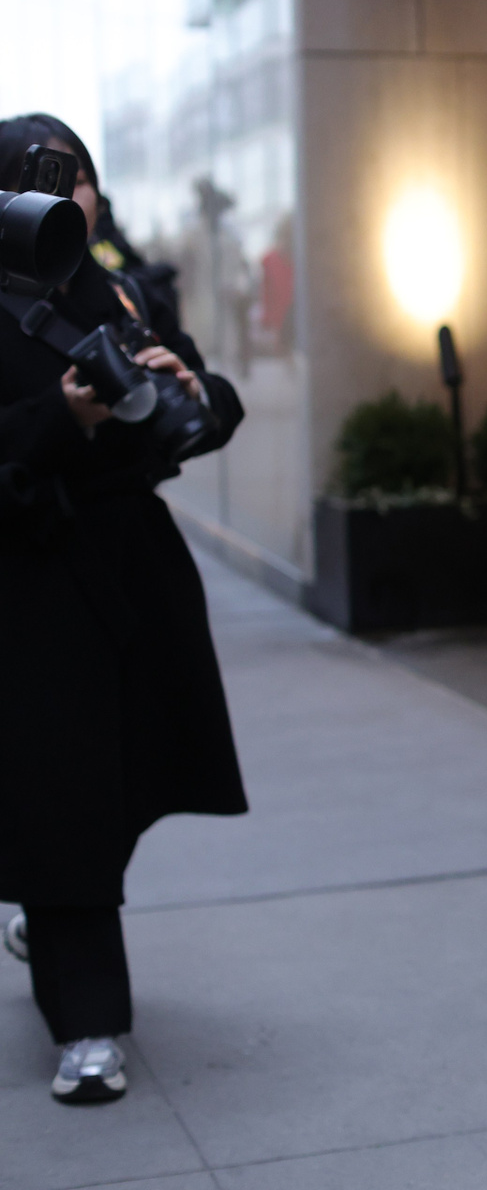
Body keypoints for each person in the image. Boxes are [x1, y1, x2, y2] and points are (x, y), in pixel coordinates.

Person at [0, 114, 248, 1105]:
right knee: (65, 800)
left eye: (79, 176)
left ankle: (46, 901)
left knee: (123, 784)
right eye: (40, 176)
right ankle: (89, 1022)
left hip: (133, 574)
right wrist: (64, 417)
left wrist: (195, 394)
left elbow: (204, 399)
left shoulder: (118, 289)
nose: (68, 194)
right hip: (31, 586)